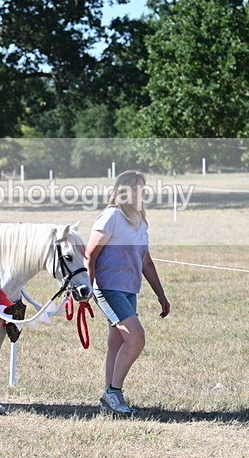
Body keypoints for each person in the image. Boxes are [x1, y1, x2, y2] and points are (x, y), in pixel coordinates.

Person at [85, 170, 171, 414]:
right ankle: (113, 393)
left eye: (142, 187)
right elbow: (91, 255)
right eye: (134, 187)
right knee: (136, 337)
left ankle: (108, 400)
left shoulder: (141, 222)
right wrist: (88, 289)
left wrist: (161, 295)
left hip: (129, 288)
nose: (139, 191)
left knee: (117, 341)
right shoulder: (111, 216)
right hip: (108, 288)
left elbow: (146, 262)